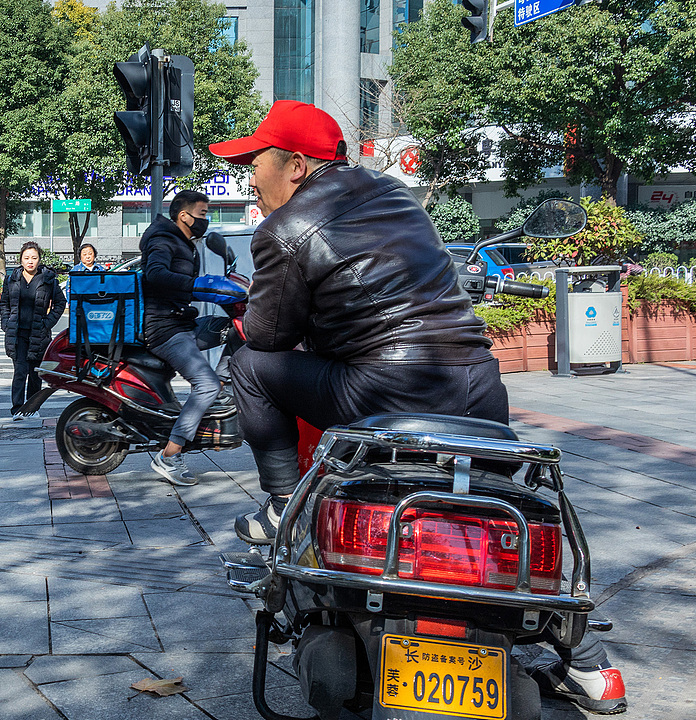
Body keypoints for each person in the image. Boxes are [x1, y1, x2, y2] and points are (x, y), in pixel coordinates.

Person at [209, 99, 626, 715]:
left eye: (254, 162)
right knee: (492, 512)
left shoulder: (285, 230)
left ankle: (278, 507)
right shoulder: (394, 195)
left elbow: (269, 336)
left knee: (249, 367)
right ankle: (587, 662)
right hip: (477, 386)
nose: (249, 176)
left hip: (383, 392)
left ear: (295, 166)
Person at [139, 190, 225, 486]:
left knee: (231, 327)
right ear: (184, 216)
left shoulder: (185, 243)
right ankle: (170, 455)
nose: (205, 220)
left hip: (183, 322)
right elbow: (155, 274)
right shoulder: (163, 240)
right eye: (202, 214)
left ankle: (223, 388)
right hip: (165, 328)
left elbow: (185, 286)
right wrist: (196, 284)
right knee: (206, 384)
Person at [0, 241, 66, 420]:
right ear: (20, 260)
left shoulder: (48, 280)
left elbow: (60, 303)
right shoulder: (12, 279)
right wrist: (6, 323)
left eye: (34, 258)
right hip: (17, 333)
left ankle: (32, 408)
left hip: (39, 333)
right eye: (27, 258)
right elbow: (4, 303)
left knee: (35, 373)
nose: (30, 261)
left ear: (39, 259)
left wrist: (47, 323)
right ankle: (17, 409)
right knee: (20, 371)